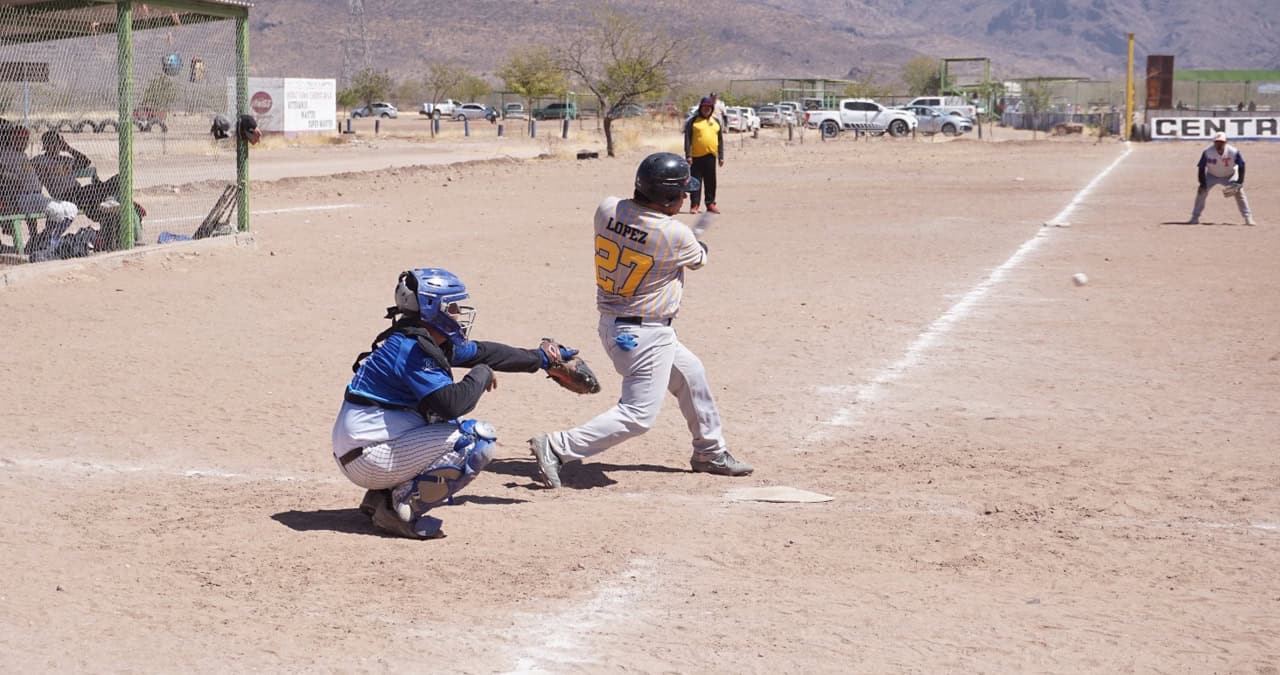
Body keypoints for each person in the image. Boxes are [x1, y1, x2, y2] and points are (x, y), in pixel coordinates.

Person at [527, 152, 752, 489]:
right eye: (681, 193)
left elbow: (642, 228)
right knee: (639, 415)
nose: (685, 198)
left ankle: (710, 451)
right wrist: (698, 241)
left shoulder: (607, 209)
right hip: (644, 335)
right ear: (668, 197)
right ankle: (559, 446)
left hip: (616, 324)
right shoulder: (676, 235)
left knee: (691, 375)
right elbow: (697, 259)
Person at [333, 267, 588, 539]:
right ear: (432, 308)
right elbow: (451, 403)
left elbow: (486, 352)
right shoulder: (412, 350)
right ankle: (399, 509)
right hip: (369, 456)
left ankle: (380, 497)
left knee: (442, 423)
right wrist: (481, 373)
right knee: (475, 440)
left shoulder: (421, 338)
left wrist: (542, 359)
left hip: (364, 448)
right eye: (451, 306)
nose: (457, 313)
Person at [30, 130, 145, 250]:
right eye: (52, 143)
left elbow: (85, 162)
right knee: (92, 191)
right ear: (46, 145)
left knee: (120, 178)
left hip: (79, 192)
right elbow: (29, 169)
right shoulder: (40, 160)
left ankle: (109, 204)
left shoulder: (64, 159)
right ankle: (106, 203)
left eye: (57, 143)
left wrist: (68, 148)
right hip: (65, 196)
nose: (55, 146)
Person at [0, 121, 79, 257]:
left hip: (36, 196)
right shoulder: (7, 154)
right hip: (23, 197)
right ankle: (48, 243)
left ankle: (46, 239)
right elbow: (4, 174)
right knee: (58, 210)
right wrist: (11, 177)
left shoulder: (22, 155)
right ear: (12, 139)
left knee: (72, 208)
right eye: (21, 139)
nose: (24, 143)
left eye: (25, 139)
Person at [1190, 131, 1255, 226]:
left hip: (1229, 175)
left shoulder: (1233, 151)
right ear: (1214, 142)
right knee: (1201, 192)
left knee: (1239, 192)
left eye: (1221, 142)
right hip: (1212, 175)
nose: (1219, 144)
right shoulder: (1207, 152)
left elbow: (1241, 165)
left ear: (1226, 142)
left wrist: (1240, 182)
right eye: (1217, 142)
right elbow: (1201, 168)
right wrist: (1202, 183)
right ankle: (1195, 217)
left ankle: (1248, 217)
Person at [683, 97, 724, 214]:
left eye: (709, 107)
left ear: (712, 109)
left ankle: (710, 203)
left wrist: (721, 156)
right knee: (696, 182)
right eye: (704, 107)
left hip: (711, 156)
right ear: (700, 108)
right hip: (696, 157)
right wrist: (688, 155)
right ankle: (694, 205)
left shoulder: (715, 122)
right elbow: (687, 139)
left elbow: (720, 140)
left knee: (711, 182)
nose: (707, 109)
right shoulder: (693, 121)